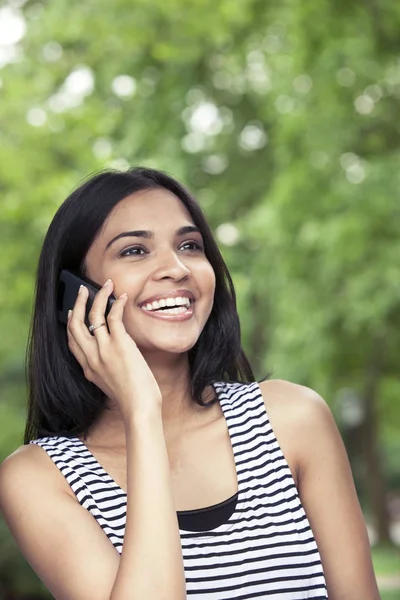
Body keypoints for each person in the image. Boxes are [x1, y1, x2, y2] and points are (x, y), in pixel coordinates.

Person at [0, 167, 380, 599]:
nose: (176, 268)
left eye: (189, 246)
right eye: (135, 251)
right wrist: (142, 412)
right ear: (75, 294)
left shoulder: (293, 419)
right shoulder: (39, 478)